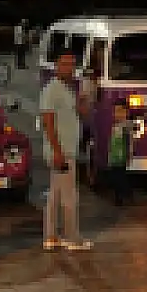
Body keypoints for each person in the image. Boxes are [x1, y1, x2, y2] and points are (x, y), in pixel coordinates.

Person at [38, 51, 91, 251]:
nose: (69, 68)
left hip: (66, 149)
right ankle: (73, 238)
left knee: (55, 195)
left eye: (72, 64)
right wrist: (57, 151)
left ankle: (51, 236)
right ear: (56, 66)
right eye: (65, 64)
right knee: (69, 196)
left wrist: (83, 100)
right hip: (62, 151)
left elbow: (79, 114)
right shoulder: (51, 90)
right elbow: (48, 122)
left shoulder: (68, 89)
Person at [105, 99, 134, 205]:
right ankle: (119, 196)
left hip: (121, 156)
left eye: (120, 111)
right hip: (114, 157)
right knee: (115, 177)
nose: (117, 114)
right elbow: (110, 142)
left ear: (126, 113)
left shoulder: (126, 126)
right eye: (116, 111)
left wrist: (129, 154)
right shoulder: (114, 126)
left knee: (120, 176)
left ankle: (124, 195)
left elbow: (128, 142)